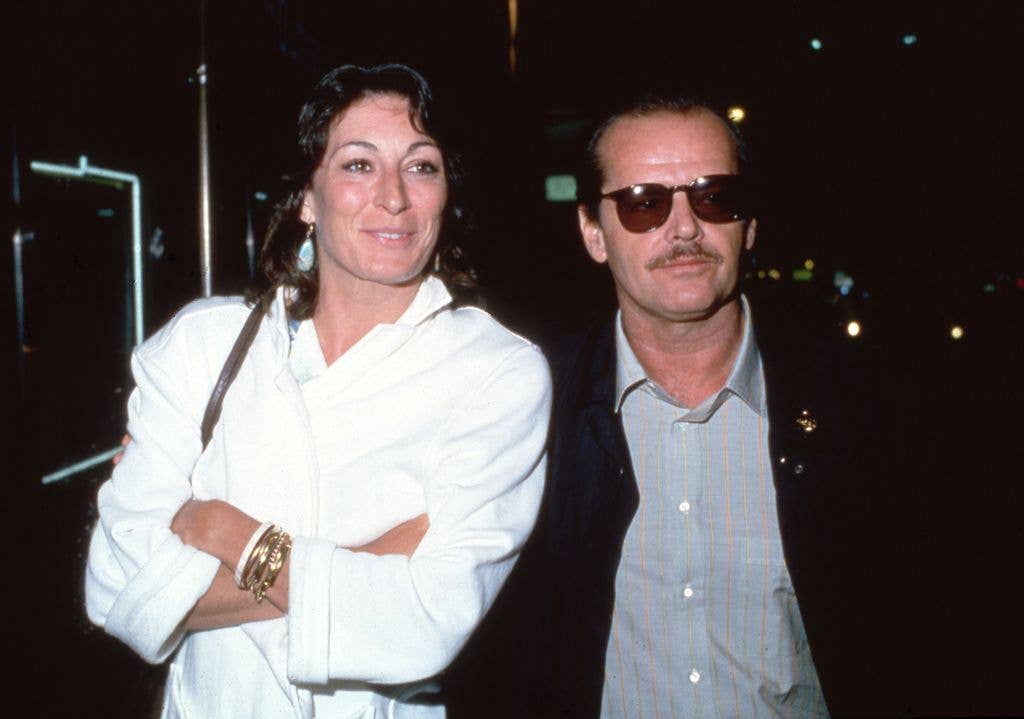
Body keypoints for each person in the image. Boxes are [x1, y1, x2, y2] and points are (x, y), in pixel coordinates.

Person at [85, 63, 551, 719]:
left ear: (446, 197)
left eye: (422, 167)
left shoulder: (496, 370)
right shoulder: (203, 344)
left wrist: (224, 528)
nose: (393, 196)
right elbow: (112, 586)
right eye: (358, 165)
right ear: (308, 195)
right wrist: (370, 559)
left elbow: (424, 624)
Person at [446, 96, 933, 718]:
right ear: (593, 232)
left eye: (713, 197)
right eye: (644, 202)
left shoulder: (862, 412)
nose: (683, 228)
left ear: (748, 225)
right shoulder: (526, 408)